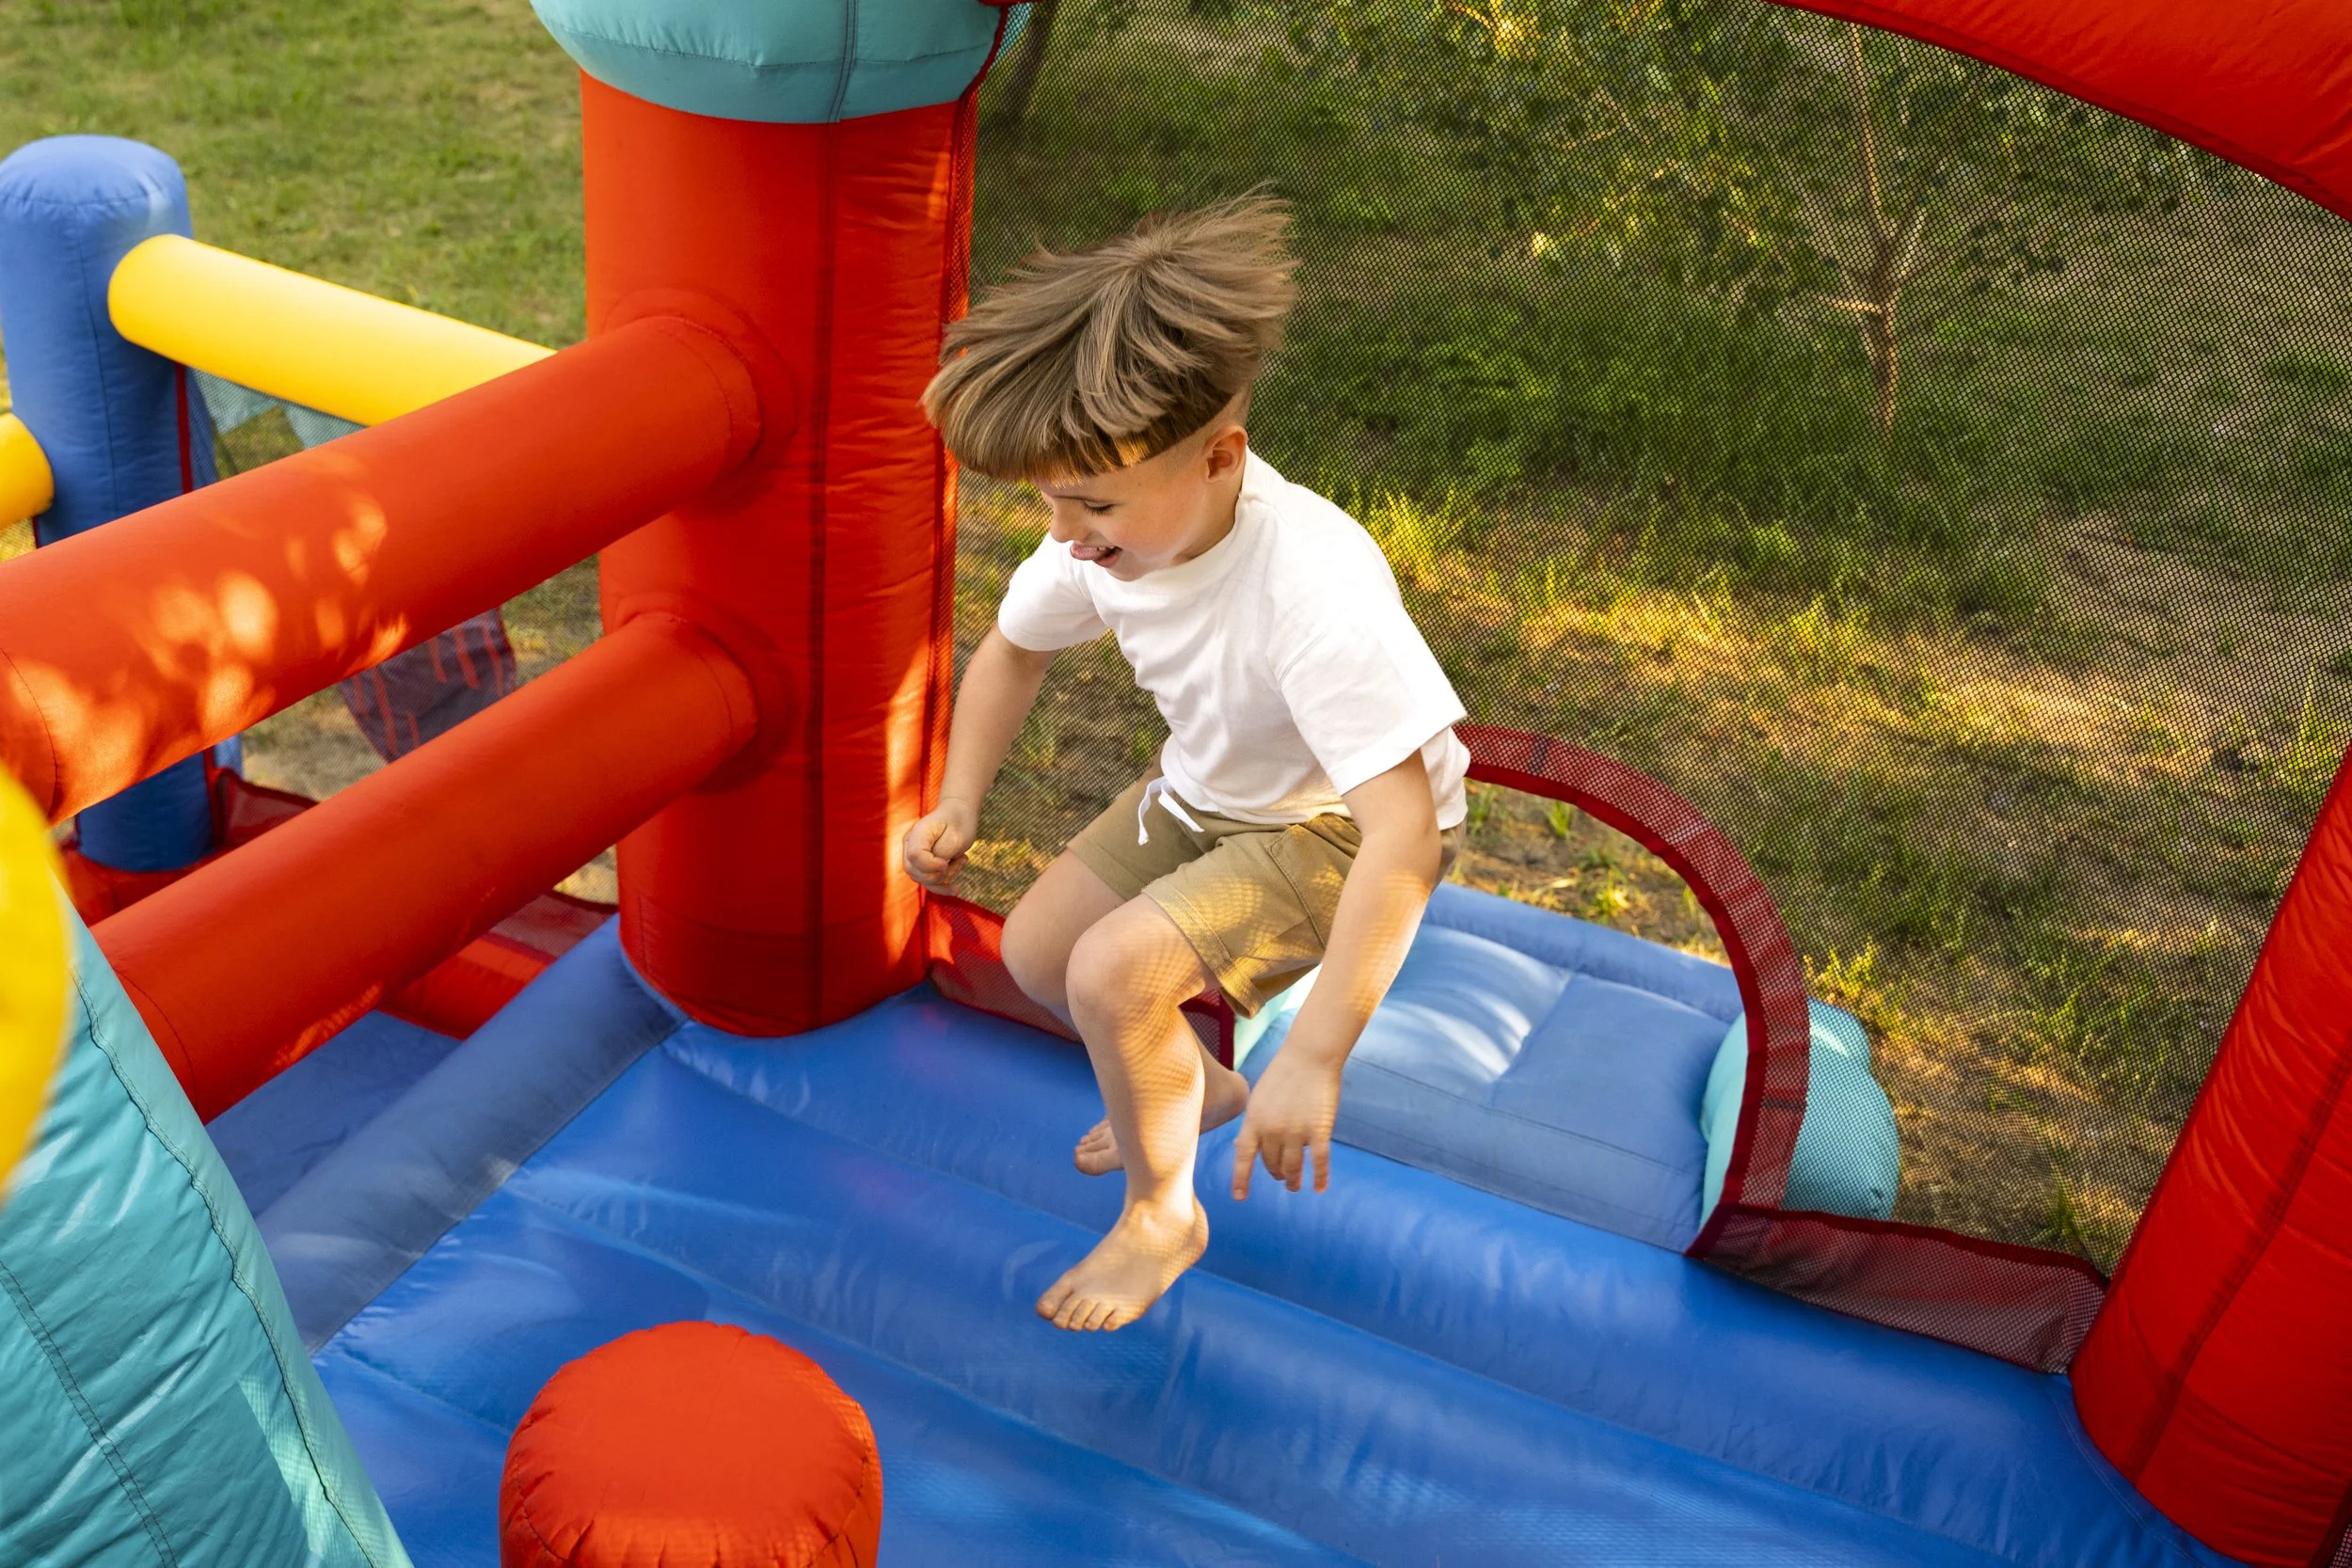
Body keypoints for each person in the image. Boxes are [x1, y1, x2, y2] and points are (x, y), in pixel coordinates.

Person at [903, 195, 1470, 1333]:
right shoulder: (1106, 538)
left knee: (1113, 973)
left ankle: (1163, 1213)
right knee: (1039, 952)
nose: (1062, 531)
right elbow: (1011, 646)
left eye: (1091, 500)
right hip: (1210, 788)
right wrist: (961, 791)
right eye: (1047, 499)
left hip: (1340, 827)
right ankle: (1191, 1083)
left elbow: (1403, 831)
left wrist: (1315, 1052)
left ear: (1221, 457)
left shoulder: (1312, 593)